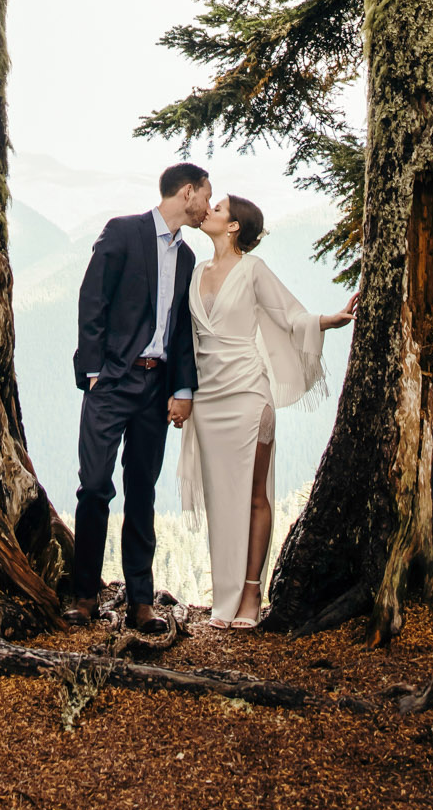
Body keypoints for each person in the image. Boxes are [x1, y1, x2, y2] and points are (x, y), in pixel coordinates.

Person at [180, 194, 357, 627]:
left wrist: (327, 321)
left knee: (255, 494)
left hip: (247, 393)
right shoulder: (196, 271)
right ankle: (225, 596)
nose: (209, 211)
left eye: (218, 208)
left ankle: (251, 593)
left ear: (235, 225)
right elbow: (184, 338)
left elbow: (288, 314)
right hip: (207, 399)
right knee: (222, 497)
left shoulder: (253, 270)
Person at [65, 161, 211, 632]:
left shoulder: (187, 259)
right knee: (94, 488)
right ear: (187, 193)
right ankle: (84, 594)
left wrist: (183, 389)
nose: (208, 205)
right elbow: (93, 298)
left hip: (156, 388)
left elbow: (182, 331)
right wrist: (93, 372)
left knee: (142, 492)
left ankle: (141, 602)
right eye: (206, 195)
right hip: (111, 384)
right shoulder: (123, 232)